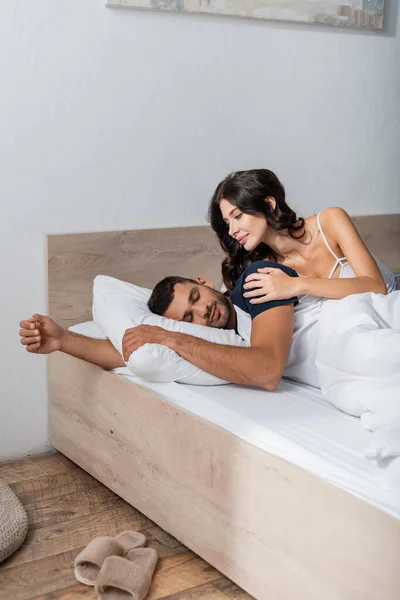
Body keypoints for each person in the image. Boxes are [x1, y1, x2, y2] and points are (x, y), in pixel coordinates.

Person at [19, 260, 323, 391]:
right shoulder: (221, 341)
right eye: (189, 319)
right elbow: (126, 352)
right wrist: (63, 340)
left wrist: (172, 337)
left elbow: (267, 372)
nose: (204, 312)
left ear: (203, 282)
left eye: (196, 296)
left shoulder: (253, 283)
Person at [208, 169, 396, 303]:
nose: (232, 230)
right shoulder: (270, 269)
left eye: (238, 216)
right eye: (227, 223)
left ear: (269, 205)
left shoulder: (330, 221)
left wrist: (298, 284)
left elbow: (376, 287)